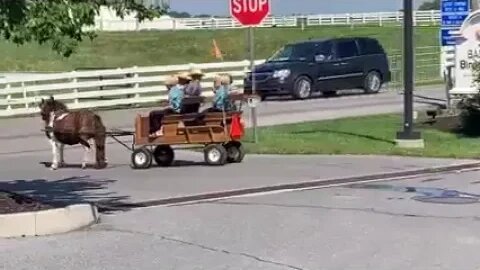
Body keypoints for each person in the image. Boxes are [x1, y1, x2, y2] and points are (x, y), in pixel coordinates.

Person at [149, 72, 190, 137]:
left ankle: (156, 130)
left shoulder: (173, 91)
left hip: (175, 111)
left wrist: (169, 105)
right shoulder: (179, 90)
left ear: (169, 85)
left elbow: (175, 104)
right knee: (161, 112)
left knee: (153, 113)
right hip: (179, 110)